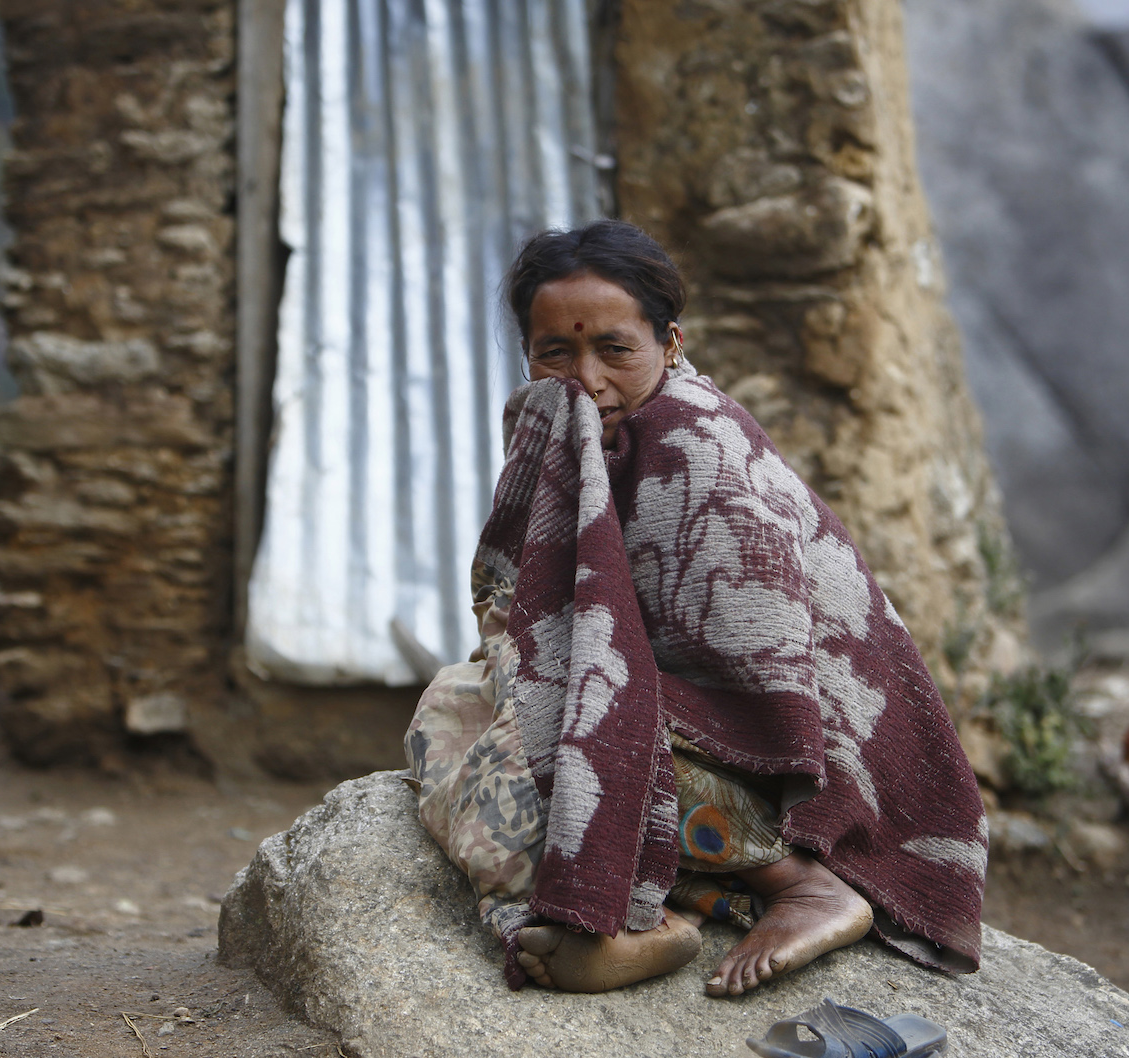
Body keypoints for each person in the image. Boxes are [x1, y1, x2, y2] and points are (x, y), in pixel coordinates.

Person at [405, 220, 987, 997]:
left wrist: (579, 697)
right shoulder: (568, 431)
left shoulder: (700, 448)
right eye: (556, 353)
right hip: (686, 721)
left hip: (815, 767)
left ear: (669, 343)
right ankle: (677, 914)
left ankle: (803, 885)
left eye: (616, 350)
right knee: (449, 713)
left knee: (556, 744)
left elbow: (763, 681)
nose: (586, 378)